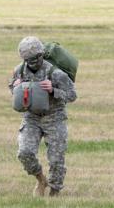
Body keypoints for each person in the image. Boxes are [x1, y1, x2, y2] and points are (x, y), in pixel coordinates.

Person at [9, 36, 77, 197]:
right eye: (28, 59)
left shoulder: (55, 73)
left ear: (41, 55)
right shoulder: (19, 70)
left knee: (56, 159)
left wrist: (53, 90)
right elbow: (12, 88)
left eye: (35, 58)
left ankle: (55, 191)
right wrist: (16, 87)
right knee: (24, 152)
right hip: (31, 117)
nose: (32, 62)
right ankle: (41, 179)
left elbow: (72, 95)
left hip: (54, 118)